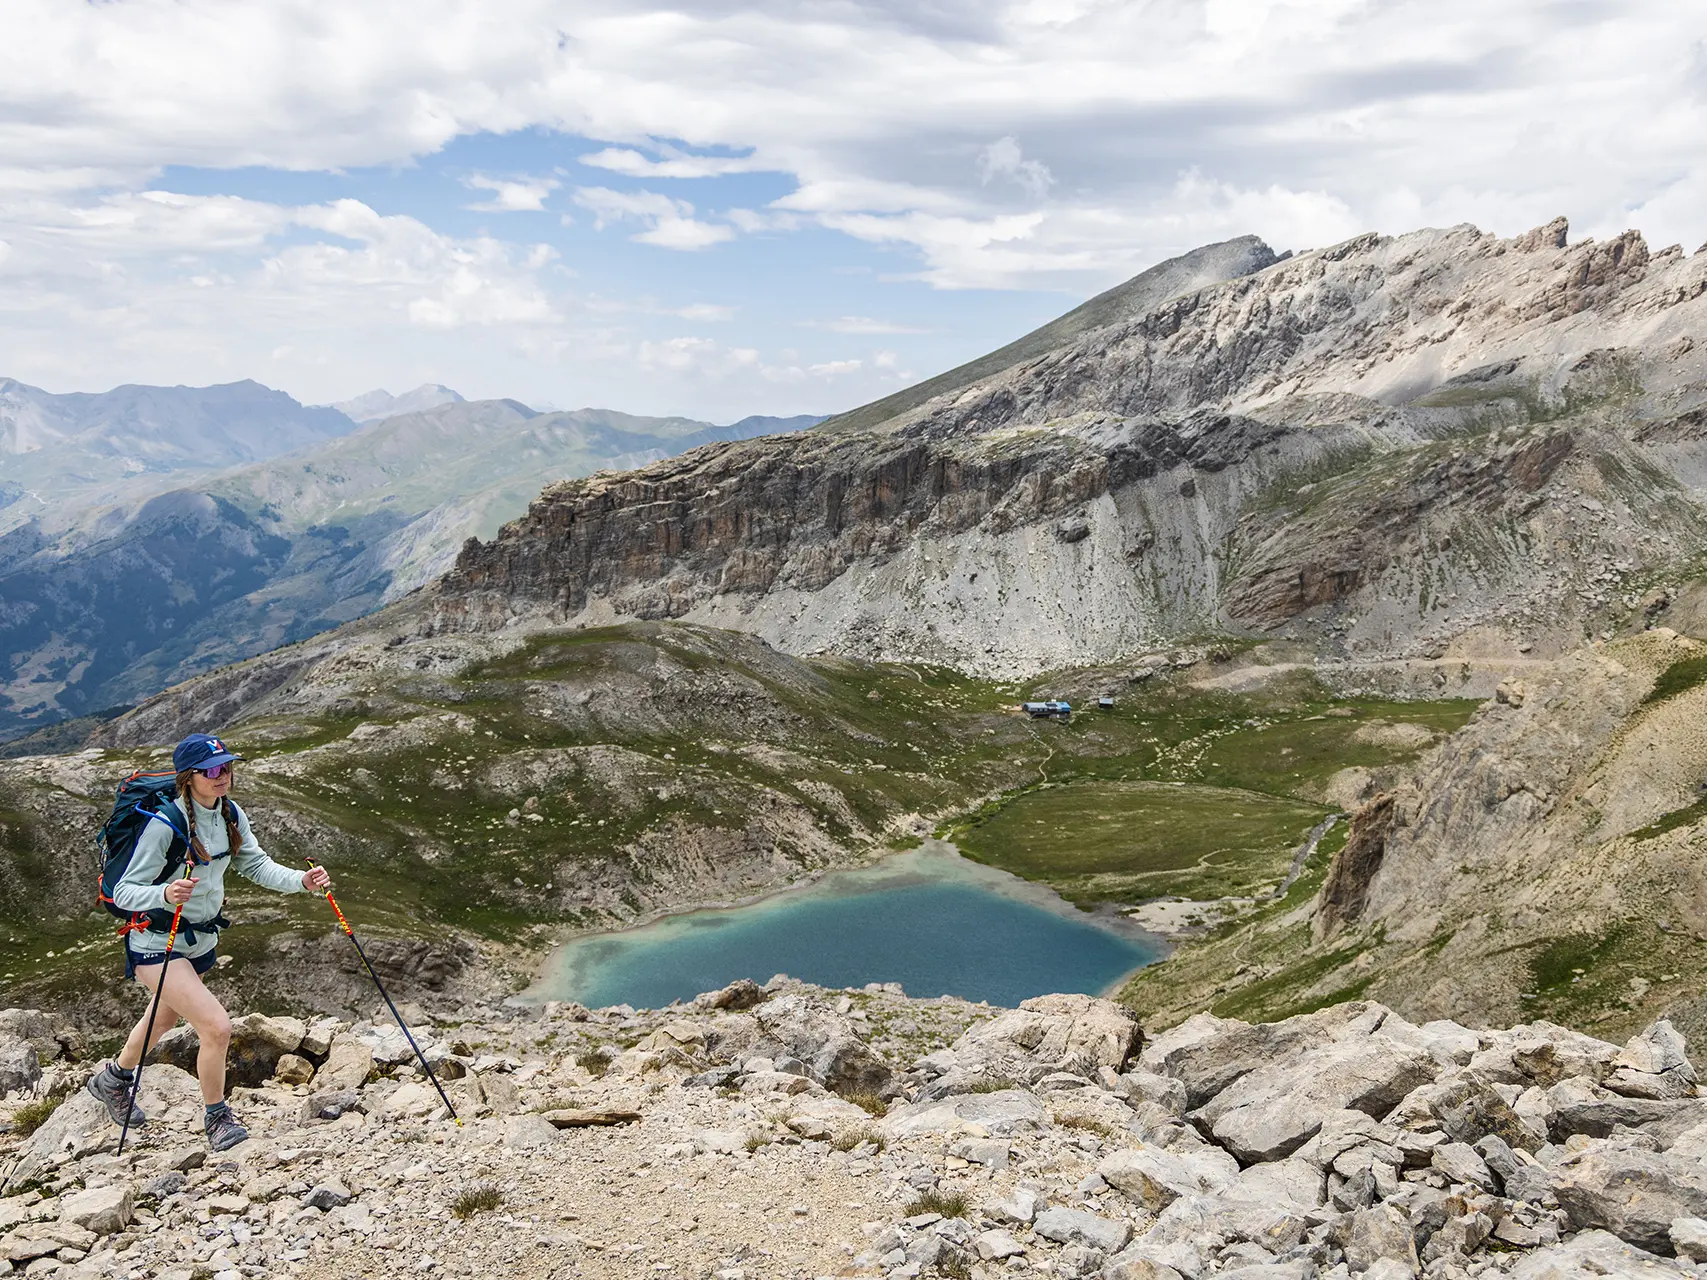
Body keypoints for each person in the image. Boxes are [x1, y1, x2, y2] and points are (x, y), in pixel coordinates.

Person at [84, 733, 331, 1151]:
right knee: (217, 1027)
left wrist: (301, 881)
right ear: (189, 777)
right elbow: (124, 892)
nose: (223, 776)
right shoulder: (166, 824)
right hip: (154, 942)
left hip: (198, 942)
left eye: (228, 767)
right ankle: (217, 1119)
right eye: (212, 770)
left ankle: (112, 1080)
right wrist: (163, 894)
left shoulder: (231, 815)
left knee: (162, 1021)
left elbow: (256, 865)